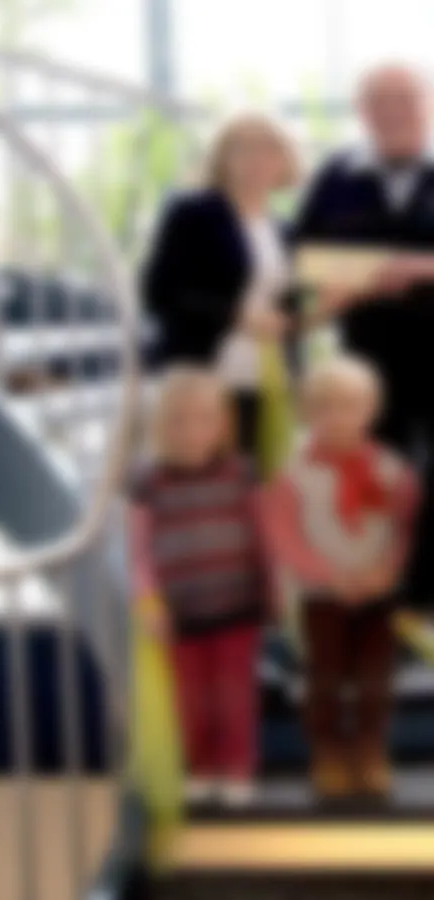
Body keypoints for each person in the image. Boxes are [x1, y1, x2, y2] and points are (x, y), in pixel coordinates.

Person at [290, 63, 434, 609]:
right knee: (378, 475)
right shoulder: (337, 178)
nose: (394, 110)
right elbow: (302, 256)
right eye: (381, 100)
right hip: (368, 359)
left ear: (429, 103)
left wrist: (414, 270)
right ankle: (386, 594)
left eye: (406, 97)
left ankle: (423, 595)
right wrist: (357, 276)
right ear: (364, 112)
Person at [264, 357, 420, 802]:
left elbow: (406, 529)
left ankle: (370, 749)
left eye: (351, 405)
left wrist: (386, 571)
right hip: (322, 595)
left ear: (372, 410)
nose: (338, 415)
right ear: (307, 413)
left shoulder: (394, 470)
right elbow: (284, 535)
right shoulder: (293, 474)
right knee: (325, 676)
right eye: (324, 405)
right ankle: (329, 751)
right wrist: (329, 576)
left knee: (375, 677)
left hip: (378, 593)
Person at [128, 367, 273, 809]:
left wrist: (274, 592)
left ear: (222, 425)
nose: (192, 430)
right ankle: (200, 769)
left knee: (233, 697)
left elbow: (263, 537)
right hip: (178, 612)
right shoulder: (149, 483)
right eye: (179, 420)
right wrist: (147, 602)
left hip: (236, 606)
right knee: (189, 700)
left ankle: (236, 768)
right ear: (160, 428)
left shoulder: (242, 474)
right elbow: (137, 551)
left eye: (203, 419)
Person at [141, 114, 299, 454]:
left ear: (284, 160)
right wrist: (235, 315)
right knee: (202, 487)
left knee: (258, 485)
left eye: (268, 148)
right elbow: (159, 291)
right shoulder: (192, 213)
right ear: (223, 158)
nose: (257, 158)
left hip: (267, 378)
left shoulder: (283, 230)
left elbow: (289, 301)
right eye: (243, 148)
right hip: (201, 378)